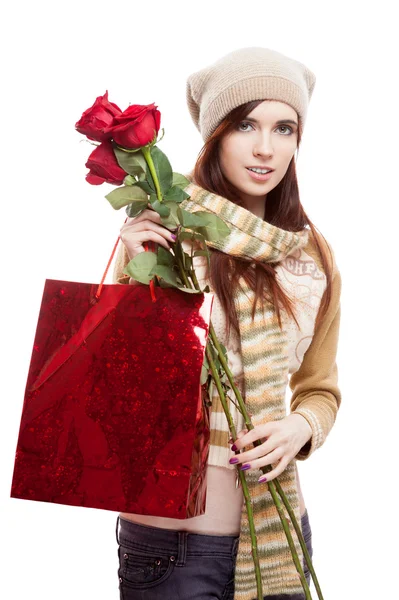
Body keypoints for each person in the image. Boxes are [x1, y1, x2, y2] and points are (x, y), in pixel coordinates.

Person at [112, 46, 342, 600]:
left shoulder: (313, 257)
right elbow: (119, 389)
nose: (266, 148)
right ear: (216, 133)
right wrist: (128, 274)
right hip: (170, 553)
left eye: (284, 128)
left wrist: (299, 429)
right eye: (246, 124)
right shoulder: (170, 237)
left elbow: (320, 390)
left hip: (280, 540)